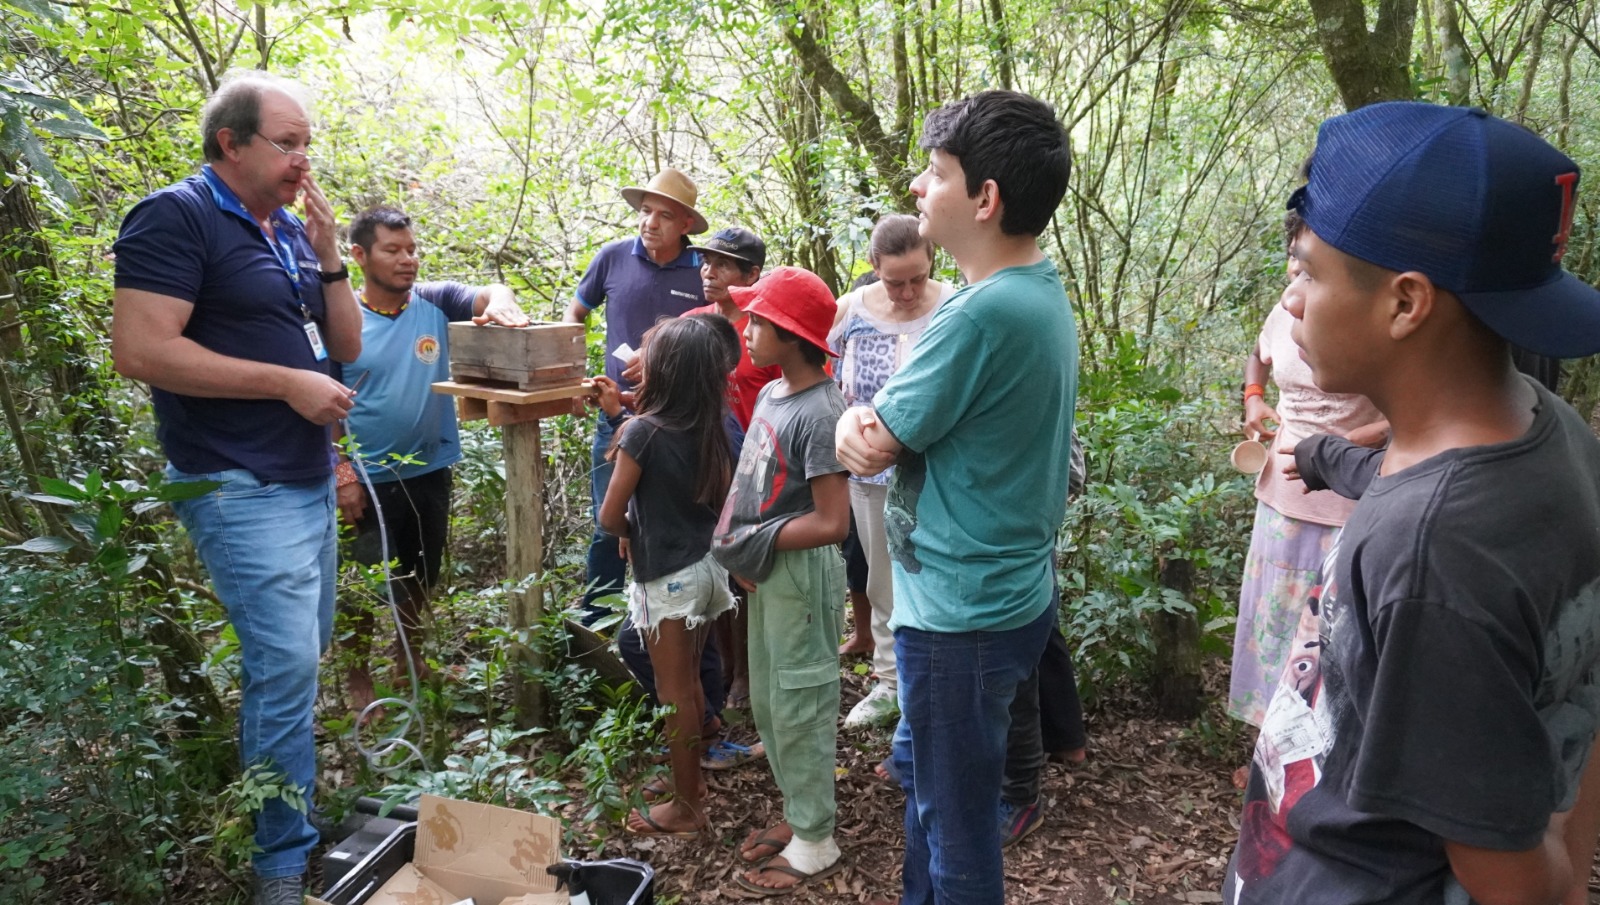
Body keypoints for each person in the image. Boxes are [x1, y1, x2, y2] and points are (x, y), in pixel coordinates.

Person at [1224, 101, 1600, 905]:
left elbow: (1510, 877)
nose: (1291, 303)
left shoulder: (1431, 550)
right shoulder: (1549, 427)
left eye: (1311, 272)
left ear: (1405, 303)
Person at [109, 71, 360, 904]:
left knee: (299, 660)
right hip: (237, 483)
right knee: (284, 664)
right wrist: (285, 385)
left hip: (306, 478)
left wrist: (328, 257)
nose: (302, 161)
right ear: (231, 142)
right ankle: (280, 867)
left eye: (306, 146)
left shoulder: (285, 231)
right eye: (287, 144)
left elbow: (345, 345)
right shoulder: (174, 216)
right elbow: (142, 350)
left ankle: (295, 816)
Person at [836, 90, 1076, 905]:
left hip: (961, 619)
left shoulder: (976, 317)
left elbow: (870, 440)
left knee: (960, 829)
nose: (916, 188)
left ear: (986, 198)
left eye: (935, 173)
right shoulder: (1038, 289)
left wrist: (854, 428)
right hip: (999, 593)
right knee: (932, 795)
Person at [333, 204, 530, 709]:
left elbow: (488, 292)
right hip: (365, 476)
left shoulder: (434, 302)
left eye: (412, 249)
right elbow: (322, 398)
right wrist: (341, 470)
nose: (408, 260)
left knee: (422, 572)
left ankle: (409, 657)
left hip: (429, 466)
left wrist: (503, 301)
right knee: (363, 579)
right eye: (392, 250)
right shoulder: (341, 319)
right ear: (359, 255)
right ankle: (357, 678)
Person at [1225, 209, 1387, 782]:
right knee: (1270, 619)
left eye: (1308, 269)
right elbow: (1259, 354)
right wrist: (1253, 400)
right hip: (1280, 493)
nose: (1296, 282)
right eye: (1294, 266)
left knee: (1324, 627)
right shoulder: (1285, 309)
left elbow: (1408, 411)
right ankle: (1262, 743)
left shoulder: (1365, 320)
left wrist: (1341, 448)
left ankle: (1314, 753)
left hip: (1344, 496)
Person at [712, 266, 851, 896]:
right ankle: (800, 813)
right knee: (769, 700)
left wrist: (754, 543)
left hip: (798, 574)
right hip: (766, 571)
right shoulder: (771, 394)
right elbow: (750, 482)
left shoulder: (823, 410)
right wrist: (737, 547)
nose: (747, 329)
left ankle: (816, 839)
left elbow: (832, 522)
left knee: (800, 702)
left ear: (792, 334)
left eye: (759, 320)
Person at [595, 315, 740, 837]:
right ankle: (691, 781)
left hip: (668, 578)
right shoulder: (712, 427)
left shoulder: (642, 432)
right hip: (706, 570)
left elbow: (610, 517)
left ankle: (686, 808)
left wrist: (630, 527)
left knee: (673, 690)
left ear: (666, 372)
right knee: (693, 683)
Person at [564, 168, 708, 622]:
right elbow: (577, 313)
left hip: (677, 423)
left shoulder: (702, 270)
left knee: (674, 524)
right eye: (645, 212)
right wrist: (572, 377)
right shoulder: (612, 258)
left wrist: (663, 359)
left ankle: (672, 618)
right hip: (615, 416)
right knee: (608, 526)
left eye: (664, 215)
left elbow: (713, 337)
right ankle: (596, 624)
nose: (650, 223)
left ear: (685, 224)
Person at [828, 213, 954, 730]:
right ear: (874, 268)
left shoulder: (954, 305)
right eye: (893, 281)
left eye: (917, 279)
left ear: (932, 264)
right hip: (870, 474)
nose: (906, 293)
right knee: (881, 576)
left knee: (936, 575)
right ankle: (888, 681)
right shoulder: (851, 311)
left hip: (941, 472)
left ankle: (934, 678)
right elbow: (823, 373)